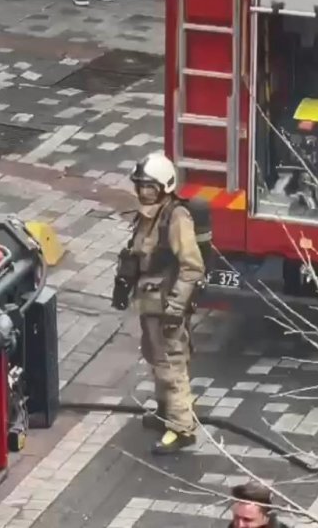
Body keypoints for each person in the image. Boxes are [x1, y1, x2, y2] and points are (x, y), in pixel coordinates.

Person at [122, 152, 205, 453]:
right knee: (155, 356)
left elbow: (192, 267)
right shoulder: (151, 213)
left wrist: (175, 307)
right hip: (149, 302)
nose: (144, 192)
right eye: (141, 185)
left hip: (166, 304)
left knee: (171, 362)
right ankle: (165, 411)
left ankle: (182, 428)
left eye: (150, 187)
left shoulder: (176, 217)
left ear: (164, 187)